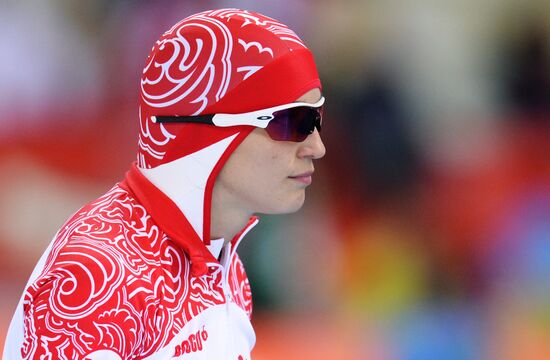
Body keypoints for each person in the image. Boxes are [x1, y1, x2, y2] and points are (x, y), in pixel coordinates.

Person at [3, 8, 325, 359]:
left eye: (317, 118)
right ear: (209, 133)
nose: (316, 147)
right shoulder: (99, 275)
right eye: (293, 122)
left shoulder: (224, 265)